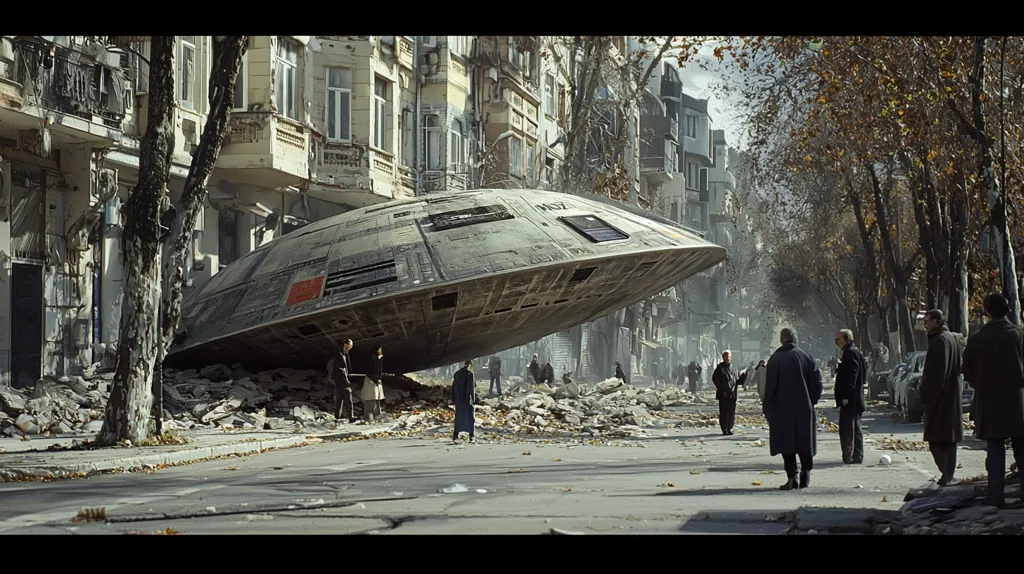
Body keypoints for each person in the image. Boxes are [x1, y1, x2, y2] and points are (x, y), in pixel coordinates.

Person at [962, 293, 1024, 507]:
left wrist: (982, 385)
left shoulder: (978, 339)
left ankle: (996, 495)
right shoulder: (1019, 335)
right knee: (1022, 447)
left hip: (989, 401)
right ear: (1008, 310)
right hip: (1019, 399)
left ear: (986, 311)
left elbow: (967, 372)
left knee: (995, 448)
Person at [763, 327, 822, 490]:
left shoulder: (775, 359)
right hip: (804, 407)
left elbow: (770, 388)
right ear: (795, 339)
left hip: (783, 409)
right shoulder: (806, 357)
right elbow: (817, 383)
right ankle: (805, 474)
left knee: (786, 443)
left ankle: (792, 477)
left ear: (782, 340)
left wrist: (767, 406)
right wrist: (812, 401)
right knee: (805, 442)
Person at [919, 309, 965, 486]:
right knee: (949, 439)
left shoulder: (940, 341)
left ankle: (947, 474)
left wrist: (927, 396)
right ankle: (948, 475)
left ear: (937, 321)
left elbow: (936, 374)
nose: (925, 324)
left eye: (928, 321)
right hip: (951, 395)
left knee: (936, 440)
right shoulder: (951, 338)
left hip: (941, 398)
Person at [834, 329, 867, 465]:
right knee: (855, 427)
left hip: (851, 399)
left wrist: (846, 395)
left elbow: (852, 375)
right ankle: (857, 455)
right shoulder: (855, 351)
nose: (837, 342)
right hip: (856, 397)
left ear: (847, 339)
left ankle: (849, 455)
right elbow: (864, 370)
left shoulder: (850, 353)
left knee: (847, 428)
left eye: (839, 339)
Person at [327, 339, 356, 423]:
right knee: (348, 399)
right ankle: (351, 417)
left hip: (338, 382)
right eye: (349, 345)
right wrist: (347, 381)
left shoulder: (342, 353)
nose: (350, 347)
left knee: (339, 401)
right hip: (342, 381)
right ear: (345, 345)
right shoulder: (341, 355)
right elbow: (341, 369)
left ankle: (337, 417)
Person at [712, 351, 739, 436]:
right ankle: (724, 429)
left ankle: (729, 427)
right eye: (726, 356)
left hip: (732, 394)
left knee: (731, 412)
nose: (728, 358)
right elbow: (715, 379)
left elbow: (737, 379)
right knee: (724, 412)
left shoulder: (733, 368)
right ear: (723, 357)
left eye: (729, 356)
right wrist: (721, 387)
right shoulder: (720, 368)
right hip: (723, 394)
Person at [451, 360, 477, 443]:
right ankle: (471, 435)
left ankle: (455, 435)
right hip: (467, 400)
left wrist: (454, 398)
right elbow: (471, 388)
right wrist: (473, 400)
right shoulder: (470, 374)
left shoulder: (457, 374)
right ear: (470, 365)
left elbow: (453, 387)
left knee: (459, 416)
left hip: (459, 400)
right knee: (470, 417)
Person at [362, 347, 385, 422]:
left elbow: (379, 371)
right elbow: (369, 372)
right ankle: (369, 417)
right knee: (371, 399)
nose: (381, 352)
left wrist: (379, 379)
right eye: (380, 350)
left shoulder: (378, 359)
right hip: (371, 381)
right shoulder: (371, 360)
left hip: (376, 381)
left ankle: (376, 416)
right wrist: (376, 379)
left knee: (376, 399)